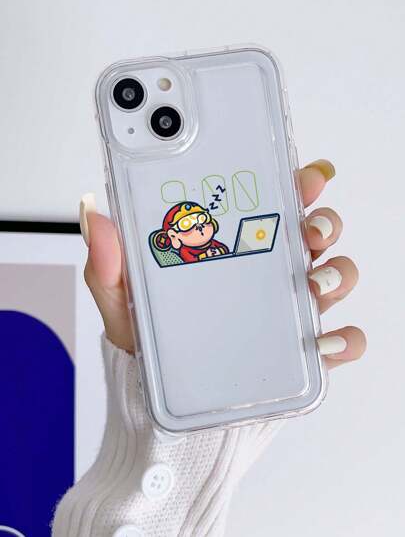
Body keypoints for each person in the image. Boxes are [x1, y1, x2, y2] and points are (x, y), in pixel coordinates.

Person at [52, 160, 366, 537]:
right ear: (174, 237)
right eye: (190, 225)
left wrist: (185, 429)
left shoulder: (221, 250)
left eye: (202, 221)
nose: (201, 227)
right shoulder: (172, 260)